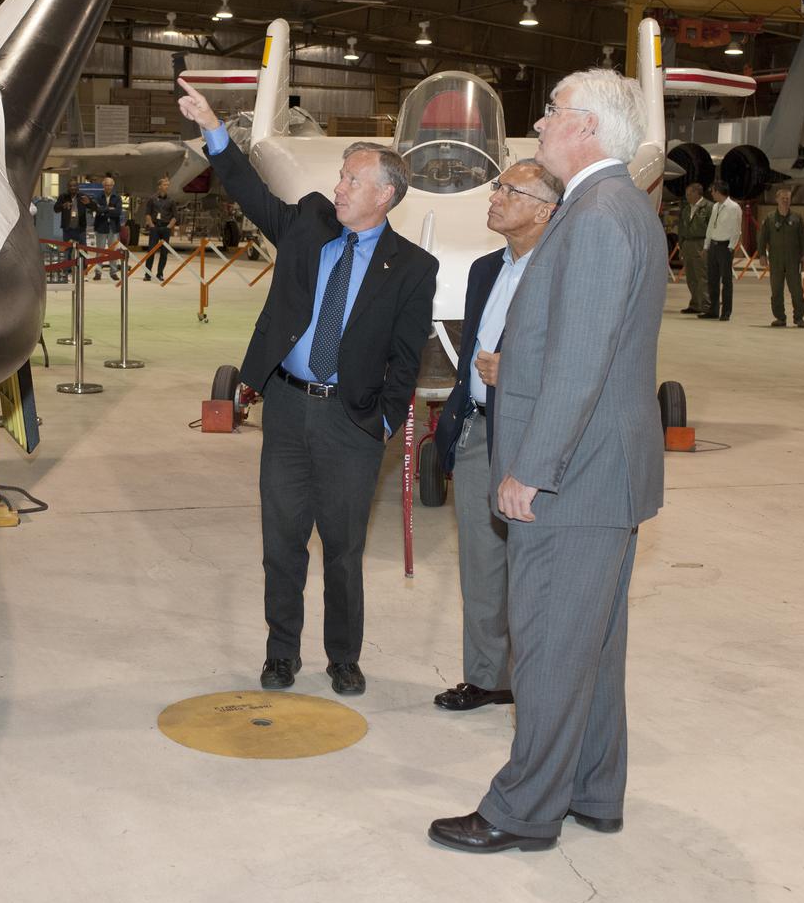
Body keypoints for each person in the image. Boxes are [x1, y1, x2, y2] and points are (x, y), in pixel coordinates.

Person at [428, 68, 666, 853]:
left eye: (553, 111)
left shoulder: (594, 215)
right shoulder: (619, 206)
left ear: (588, 127)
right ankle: (592, 788)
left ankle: (523, 807)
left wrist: (533, 469)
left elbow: (579, 361)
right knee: (591, 644)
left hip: (574, 477)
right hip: (604, 474)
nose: (540, 123)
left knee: (550, 647)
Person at [177, 78, 437, 697]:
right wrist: (214, 128)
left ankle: (343, 657)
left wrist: (380, 423)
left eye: (352, 179)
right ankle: (281, 653)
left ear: (385, 195)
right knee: (282, 543)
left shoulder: (413, 268)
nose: (338, 187)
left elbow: (407, 360)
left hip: (351, 422)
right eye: (341, 177)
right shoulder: (307, 224)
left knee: (344, 550)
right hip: (289, 408)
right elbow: (248, 190)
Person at [431, 160, 563, 714]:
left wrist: (518, 372)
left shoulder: (563, 273)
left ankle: (540, 682)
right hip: (479, 431)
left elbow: (585, 358)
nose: (494, 196)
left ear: (545, 211)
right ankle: (488, 678)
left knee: (537, 569)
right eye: (497, 186)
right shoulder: (486, 268)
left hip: (537, 436)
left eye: (510, 190)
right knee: (481, 565)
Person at [756, 188, 804, 328]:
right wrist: (762, 254)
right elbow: (762, 238)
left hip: (793, 260)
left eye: (788, 198)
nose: (785, 200)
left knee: (797, 290)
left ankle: (799, 318)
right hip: (776, 260)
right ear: (777, 199)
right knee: (776, 290)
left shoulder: (797, 218)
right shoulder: (770, 218)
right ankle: (780, 317)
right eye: (783, 198)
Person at [700, 180, 740, 321]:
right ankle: (713, 309)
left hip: (725, 246)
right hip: (714, 245)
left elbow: (736, 229)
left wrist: (731, 247)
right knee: (712, 279)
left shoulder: (734, 207)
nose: (711, 193)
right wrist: (706, 246)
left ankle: (726, 311)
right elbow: (711, 227)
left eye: (713, 191)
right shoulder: (716, 206)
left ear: (718, 191)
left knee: (726, 281)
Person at [676, 182, 711, 315]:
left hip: (701, 243)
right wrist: (681, 246)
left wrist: (708, 247)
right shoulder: (686, 209)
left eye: (689, 193)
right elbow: (681, 229)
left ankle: (706, 304)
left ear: (697, 193)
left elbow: (712, 228)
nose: (687, 196)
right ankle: (695, 303)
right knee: (691, 276)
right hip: (687, 244)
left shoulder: (708, 207)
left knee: (702, 275)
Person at [143, 177, 177, 281]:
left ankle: (160, 274)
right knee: (151, 251)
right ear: (159, 186)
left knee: (164, 252)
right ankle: (147, 274)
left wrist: (169, 227)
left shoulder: (171, 200)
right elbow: (147, 214)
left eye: (167, 185)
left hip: (165, 228)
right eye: (165, 185)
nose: (167, 187)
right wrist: (151, 225)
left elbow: (175, 217)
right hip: (155, 227)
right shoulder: (152, 199)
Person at [93, 176, 123, 281]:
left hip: (113, 228)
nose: (108, 187)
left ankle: (113, 272)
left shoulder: (117, 197)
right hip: (101, 227)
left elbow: (118, 212)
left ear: (113, 186)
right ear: (103, 185)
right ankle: (98, 272)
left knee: (113, 251)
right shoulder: (98, 197)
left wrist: (104, 210)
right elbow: (97, 210)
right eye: (106, 185)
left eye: (110, 185)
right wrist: (109, 209)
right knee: (99, 250)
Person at [54, 178, 95, 250]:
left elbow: (94, 208)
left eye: (74, 186)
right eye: (70, 186)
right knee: (68, 251)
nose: (72, 188)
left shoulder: (83, 196)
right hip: (67, 230)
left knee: (83, 252)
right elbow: (55, 209)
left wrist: (89, 203)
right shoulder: (63, 197)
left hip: (80, 230)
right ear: (67, 187)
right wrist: (63, 206)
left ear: (77, 187)